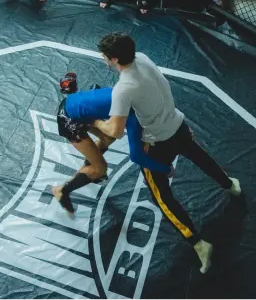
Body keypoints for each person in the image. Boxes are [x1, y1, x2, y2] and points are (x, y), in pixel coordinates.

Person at [94, 32, 241, 274]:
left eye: (105, 56)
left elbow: (115, 131)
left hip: (158, 144)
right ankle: (230, 185)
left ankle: (198, 243)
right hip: (178, 125)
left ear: (115, 59)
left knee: (162, 197)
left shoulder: (123, 89)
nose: (103, 58)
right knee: (200, 156)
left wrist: (95, 124)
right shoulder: (142, 57)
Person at [51, 73, 172, 214]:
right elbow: (136, 155)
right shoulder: (133, 115)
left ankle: (89, 169)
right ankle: (61, 191)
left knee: (108, 139)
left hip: (77, 106)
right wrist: (166, 169)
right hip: (69, 120)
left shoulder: (128, 92)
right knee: (100, 169)